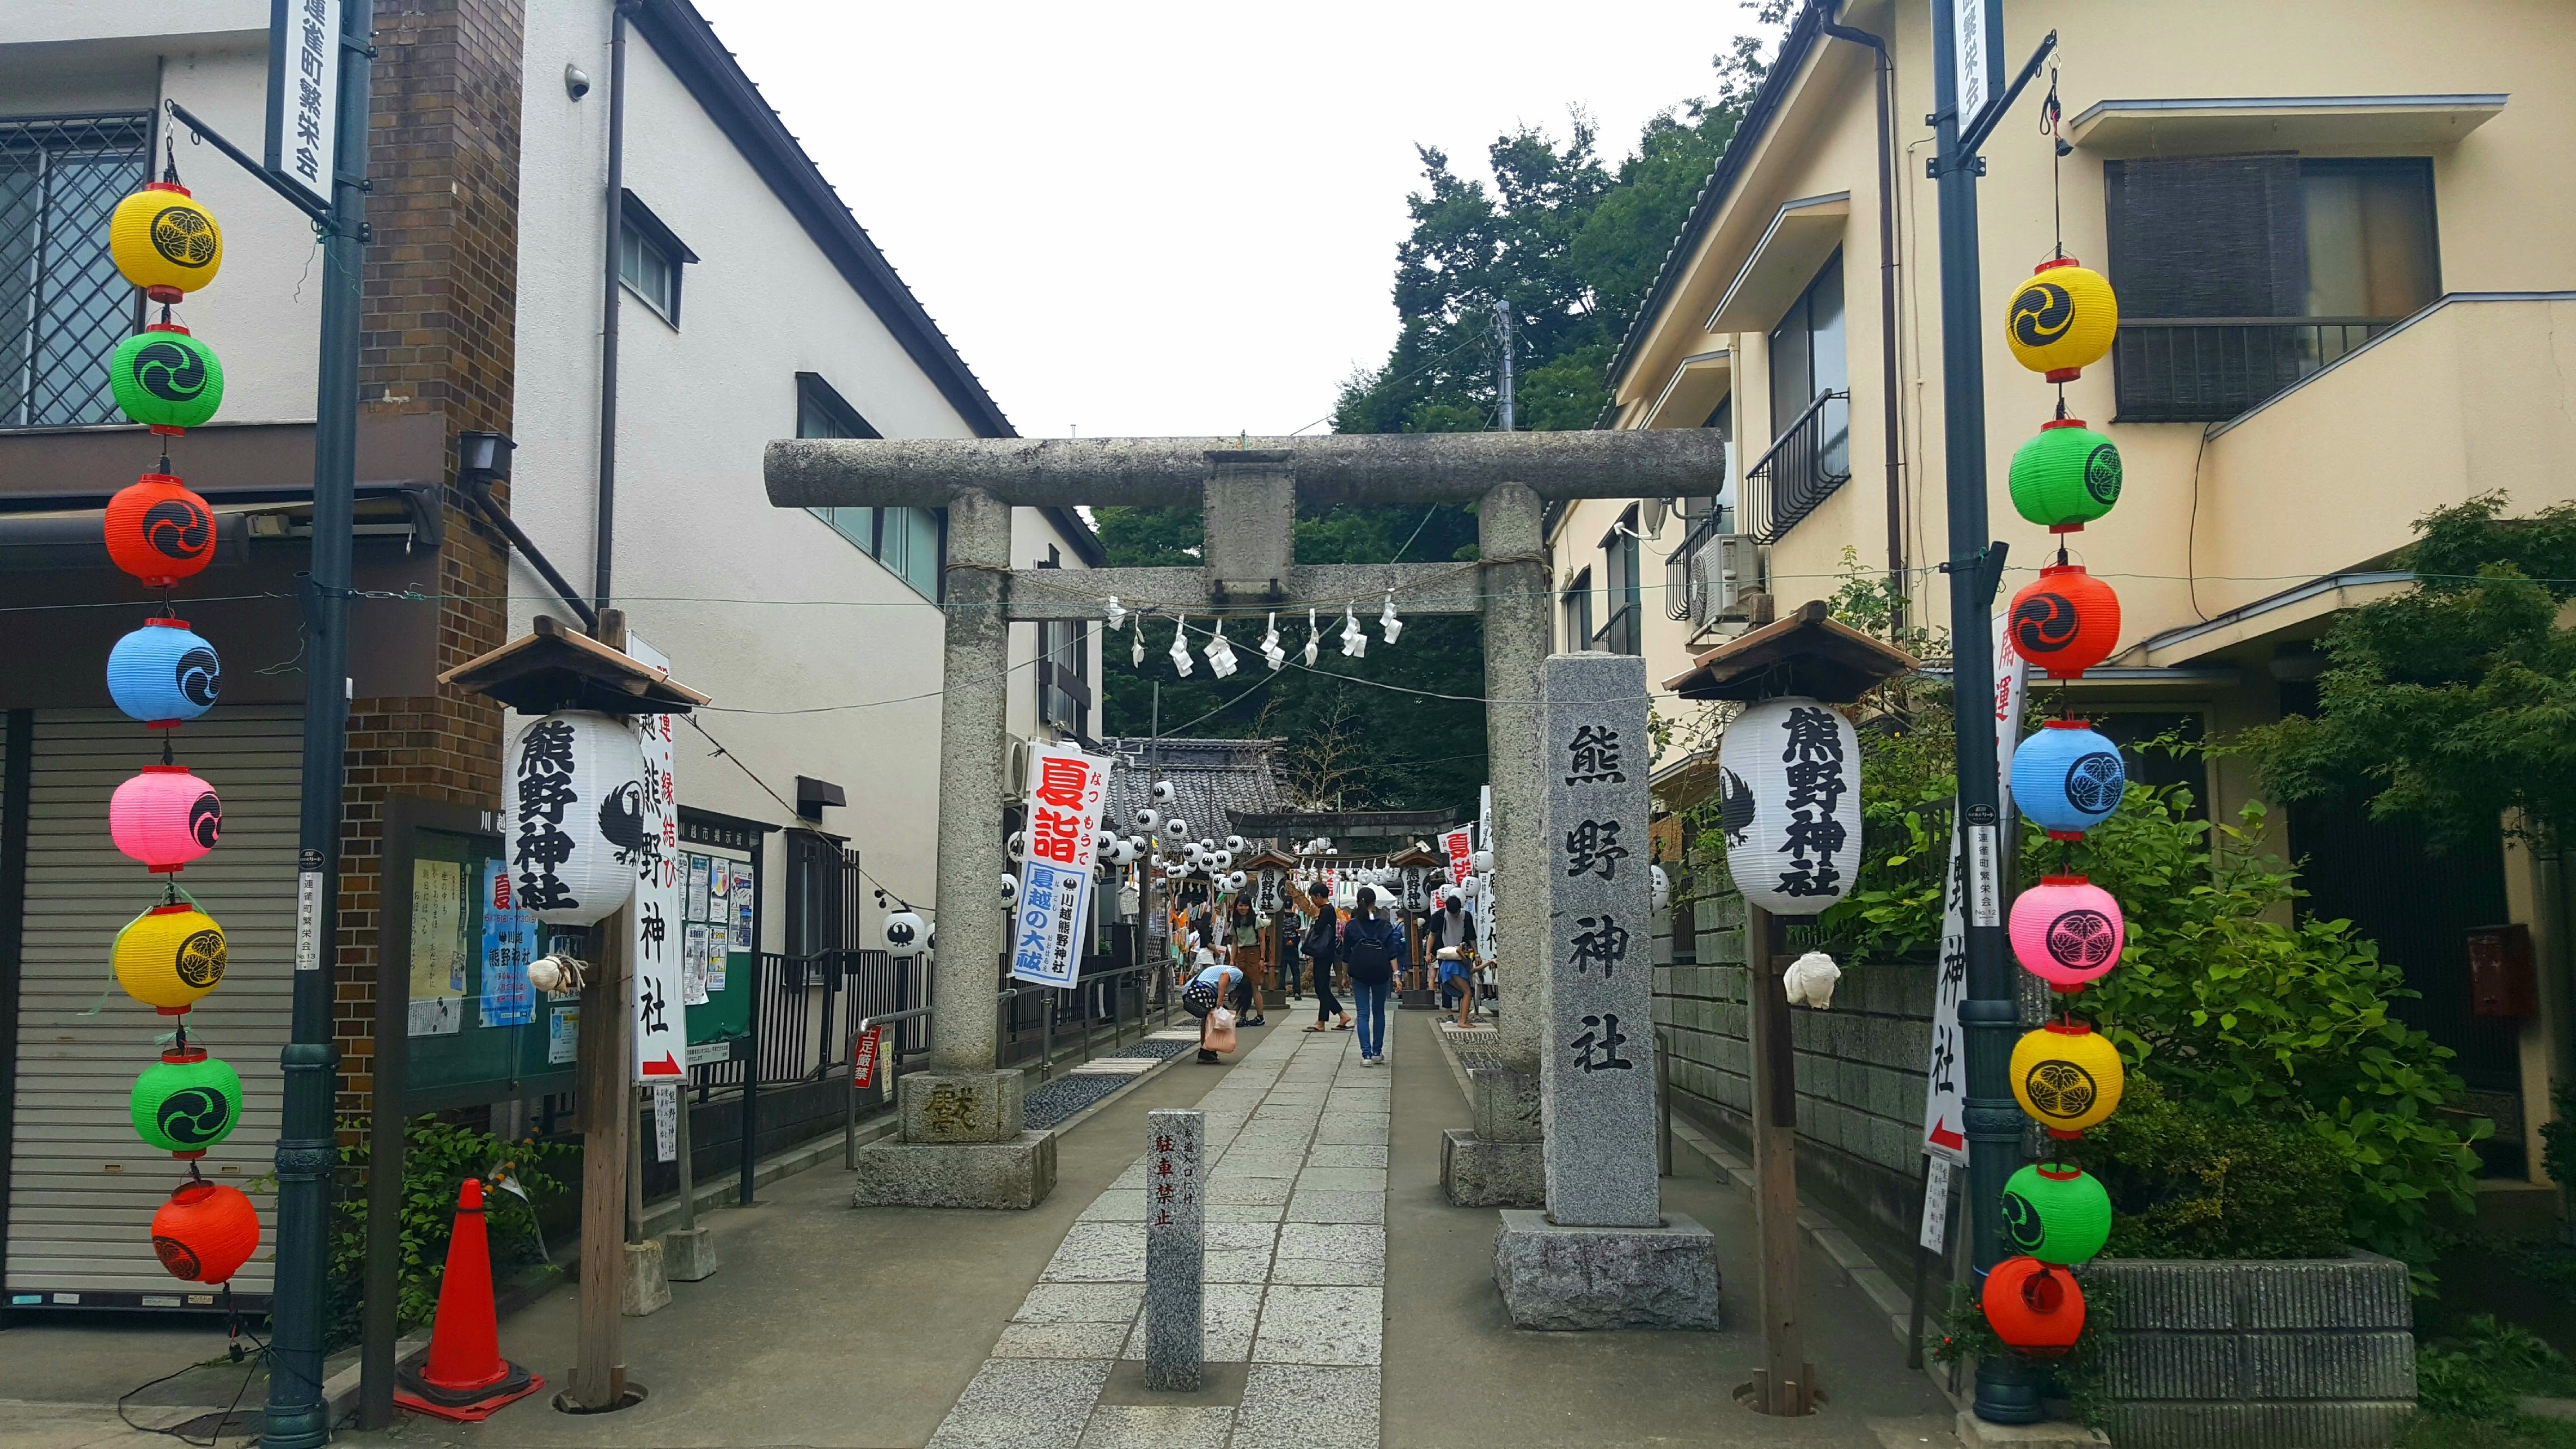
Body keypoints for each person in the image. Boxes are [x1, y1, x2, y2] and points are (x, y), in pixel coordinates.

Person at [1341, 886, 1405, 1065]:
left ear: (1358, 902)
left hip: (1359, 973)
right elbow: (1392, 952)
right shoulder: (1385, 925)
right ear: (1374, 903)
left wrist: (1345, 976)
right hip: (1381, 972)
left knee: (1363, 1014)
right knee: (1379, 1012)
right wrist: (1397, 975)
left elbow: (1346, 954)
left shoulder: (1352, 926)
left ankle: (1366, 1055)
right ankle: (1377, 1052)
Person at [1298, 880, 1351, 1033]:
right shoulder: (1328, 910)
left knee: (1322, 988)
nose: (1312, 901)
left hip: (1323, 953)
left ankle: (1342, 1015)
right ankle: (1322, 1021)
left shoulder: (1326, 910)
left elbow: (1320, 929)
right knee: (1323, 987)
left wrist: (1316, 916)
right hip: (1325, 952)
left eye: (1313, 898)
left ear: (1319, 896)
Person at [1183, 951, 1243, 1064]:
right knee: (1215, 1017)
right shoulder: (1238, 973)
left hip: (1190, 991)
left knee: (1209, 1017)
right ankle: (1207, 1050)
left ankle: (1206, 1048)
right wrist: (1220, 1002)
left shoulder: (1225, 971)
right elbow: (1224, 976)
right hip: (1198, 992)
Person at [1428, 890, 1475, 1014]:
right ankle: (1449, 1012)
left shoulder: (1466, 916)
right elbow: (1432, 935)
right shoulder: (1440, 915)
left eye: (1457, 913)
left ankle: (1462, 1011)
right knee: (1446, 982)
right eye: (1452, 913)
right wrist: (1428, 953)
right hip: (1445, 953)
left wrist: (1477, 953)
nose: (1455, 915)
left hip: (1462, 952)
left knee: (1464, 980)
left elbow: (1471, 936)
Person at [1226, 897, 1266, 1027]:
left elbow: (1262, 940)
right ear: (1236, 907)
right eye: (1241, 906)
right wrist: (1232, 960)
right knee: (1242, 987)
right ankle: (1241, 1016)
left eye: (1246, 906)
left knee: (1254, 987)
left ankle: (1260, 1017)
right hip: (1241, 955)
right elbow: (1235, 942)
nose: (1243, 908)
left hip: (1254, 954)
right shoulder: (1236, 923)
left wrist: (1262, 959)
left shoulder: (1256, 921)